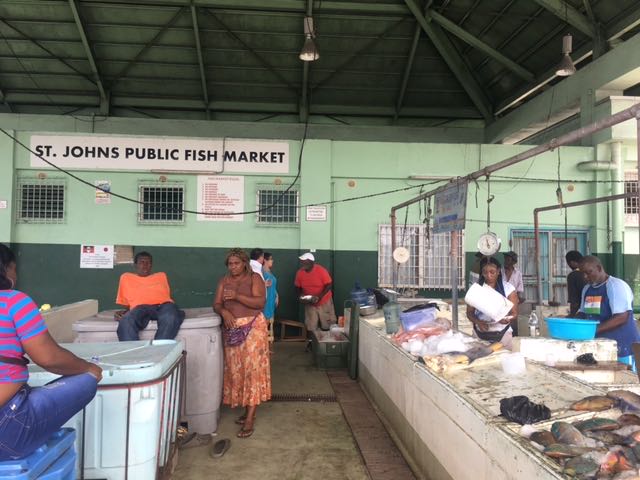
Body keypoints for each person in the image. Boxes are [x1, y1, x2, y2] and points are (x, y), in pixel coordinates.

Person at [0, 243, 102, 460]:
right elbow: (49, 358)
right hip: (8, 430)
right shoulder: (13, 302)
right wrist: (88, 367)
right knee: (86, 379)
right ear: (6, 269)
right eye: (14, 269)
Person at [213, 248, 270, 438]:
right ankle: (247, 410)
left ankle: (250, 418)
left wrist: (237, 296)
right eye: (230, 264)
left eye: (236, 263)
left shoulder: (254, 278)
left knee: (252, 370)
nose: (233, 267)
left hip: (253, 328)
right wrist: (224, 312)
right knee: (238, 370)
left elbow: (260, 302)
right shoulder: (224, 280)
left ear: (245, 263)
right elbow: (216, 304)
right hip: (232, 330)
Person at [575, 255, 640, 368]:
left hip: (623, 347)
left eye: (588, 272)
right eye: (582, 273)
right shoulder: (587, 289)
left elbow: (622, 317)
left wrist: (592, 331)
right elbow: (582, 313)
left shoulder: (616, 286)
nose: (585, 277)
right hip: (601, 347)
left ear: (599, 268)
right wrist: (571, 325)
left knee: (626, 377)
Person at [114, 251, 184, 342]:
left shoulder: (161, 276)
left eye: (148, 262)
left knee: (170, 316)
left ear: (151, 265)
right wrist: (126, 313)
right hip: (139, 308)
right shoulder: (126, 278)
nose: (145, 265)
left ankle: (158, 348)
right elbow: (128, 303)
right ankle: (134, 350)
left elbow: (166, 298)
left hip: (163, 306)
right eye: (142, 262)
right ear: (135, 265)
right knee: (126, 320)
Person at [466, 256, 519, 348]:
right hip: (479, 334)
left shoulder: (508, 289)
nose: (488, 275)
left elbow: (514, 313)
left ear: (498, 271)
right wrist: (478, 322)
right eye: (485, 272)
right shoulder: (476, 289)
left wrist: (506, 318)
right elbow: (469, 313)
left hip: (503, 335)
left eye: (492, 272)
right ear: (481, 272)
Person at [295, 253, 337, 331]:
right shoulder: (300, 273)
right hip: (310, 302)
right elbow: (297, 287)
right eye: (302, 261)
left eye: (304, 261)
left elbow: (328, 284)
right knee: (311, 327)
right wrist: (301, 296)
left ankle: (326, 338)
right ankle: (312, 338)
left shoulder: (321, 270)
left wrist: (319, 297)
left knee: (327, 325)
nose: (302, 263)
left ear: (311, 262)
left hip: (324, 301)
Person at [262, 252, 279, 346]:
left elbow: (273, 286)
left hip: (271, 300)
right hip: (266, 301)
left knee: (267, 324)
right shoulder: (261, 273)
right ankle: (263, 347)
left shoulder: (269, 272)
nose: (272, 261)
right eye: (271, 259)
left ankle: (265, 347)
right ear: (265, 260)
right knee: (263, 325)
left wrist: (277, 295)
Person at [565, 250, 587, 317]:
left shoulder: (573, 275)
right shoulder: (588, 273)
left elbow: (574, 299)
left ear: (572, 263)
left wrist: (572, 315)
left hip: (580, 312)